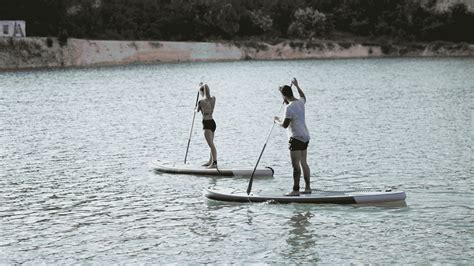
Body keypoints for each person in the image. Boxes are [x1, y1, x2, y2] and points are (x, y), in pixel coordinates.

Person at [274, 78, 311, 196]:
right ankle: (308, 188)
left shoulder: (288, 108)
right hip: (305, 136)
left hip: (295, 138)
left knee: (295, 165)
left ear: (284, 95)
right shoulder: (300, 102)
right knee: (304, 163)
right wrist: (297, 85)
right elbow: (303, 96)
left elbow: (285, 125)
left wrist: (276, 121)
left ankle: (295, 190)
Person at [196, 83, 218, 168]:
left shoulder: (201, 102)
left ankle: (214, 163)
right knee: (211, 143)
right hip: (213, 122)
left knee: (211, 144)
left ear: (202, 92)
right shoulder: (213, 99)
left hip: (206, 124)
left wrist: (195, 107)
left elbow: (197, 111)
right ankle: (210, 161)